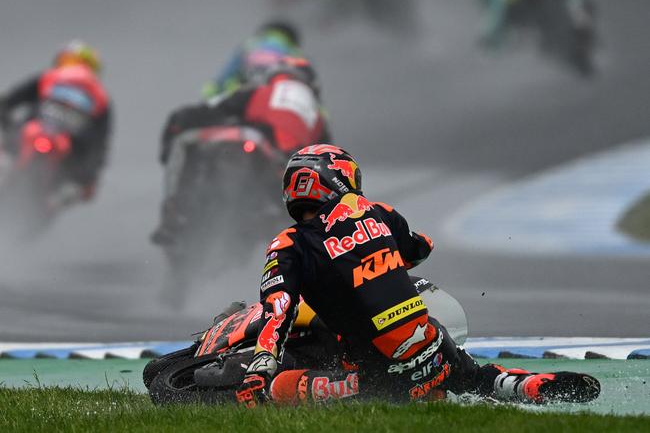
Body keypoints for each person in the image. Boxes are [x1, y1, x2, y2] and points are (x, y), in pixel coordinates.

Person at [235, 144, 600, 406]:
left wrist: (261, 367)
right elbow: (418, 248)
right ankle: (527, 386)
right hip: (433, 346)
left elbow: (278, 309)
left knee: (280, 387)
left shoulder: (287, 245)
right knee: (477, 378)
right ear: (340, 178)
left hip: (377, 378)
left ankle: (388, 391)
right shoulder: (380, 213)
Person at [151, 56, 332, 246]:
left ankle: (173, 211)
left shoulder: (258, 90)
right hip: (286, 166)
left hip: (257, 148)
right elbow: (328, 162)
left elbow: (216, 107)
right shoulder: (319, 116)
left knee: (185, 135)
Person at [0, 40, 111, 211]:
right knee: (69, 192)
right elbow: (100, 144)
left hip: (45, 143)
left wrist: (8, 127)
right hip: (63, 153)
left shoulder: (48, 77)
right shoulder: (102, 98)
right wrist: (90, 179)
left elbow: (8, 102)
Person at [201, 21, 304, 100]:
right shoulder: (295, 53)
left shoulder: (250, 44)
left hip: (238, 96)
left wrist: (213, 88)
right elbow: (305, 83)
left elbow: (228, 72)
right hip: (274, 101)